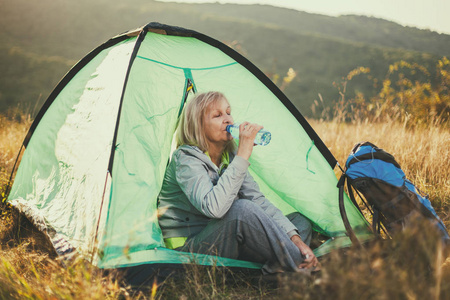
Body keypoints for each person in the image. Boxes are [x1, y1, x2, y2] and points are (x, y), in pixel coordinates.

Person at [157, 91, 319, 274]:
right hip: (189, 249)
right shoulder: (186, 160)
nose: (228, 120)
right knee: (241, 210)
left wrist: (295, 239)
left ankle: (280, 268)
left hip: (226, 240)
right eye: (217, 115)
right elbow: (215, 208)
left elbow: (257, 200)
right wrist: (243, 154)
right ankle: (301, 267)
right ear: (198, 126)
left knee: (299, 222)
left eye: (228, 112)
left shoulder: (230, 157)